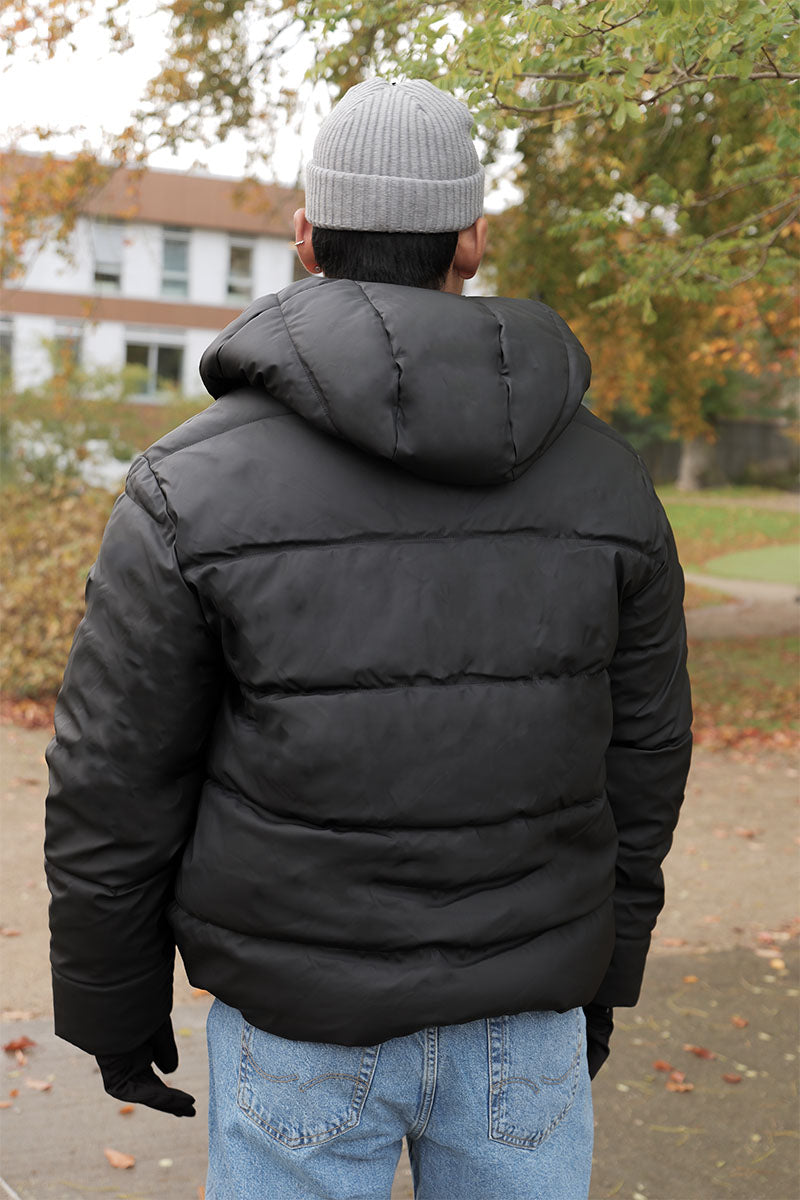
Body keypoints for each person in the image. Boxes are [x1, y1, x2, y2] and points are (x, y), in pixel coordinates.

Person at [45, 78, 692, 1200]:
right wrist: (607, 969)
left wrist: (111, 1000)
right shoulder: (610, 481)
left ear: (306, 238)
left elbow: (115, 775)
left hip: (297, 1030)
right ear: (471, 240)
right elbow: (646, 760)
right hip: (526, 1019)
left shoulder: (187, 485)